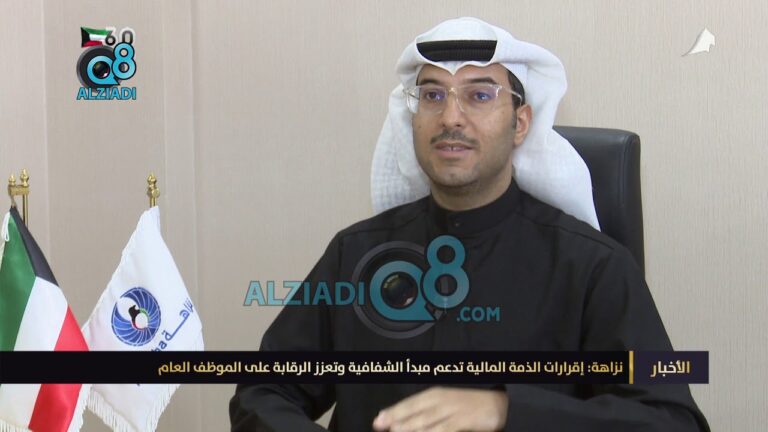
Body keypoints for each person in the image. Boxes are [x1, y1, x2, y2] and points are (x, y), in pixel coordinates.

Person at [230, 17, 710, 431]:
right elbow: (262, 392)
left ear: (520, 123)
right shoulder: (355, 254)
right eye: (432, 95)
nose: (451, 117)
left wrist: (506, 410)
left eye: (479, 95)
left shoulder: (592, 266)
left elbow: (671, 420)